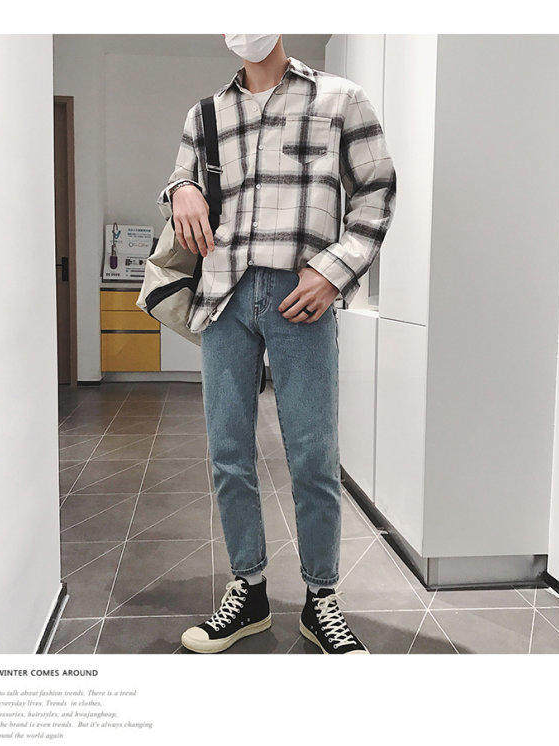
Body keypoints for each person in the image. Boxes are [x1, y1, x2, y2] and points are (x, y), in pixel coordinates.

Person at [158, 34, 396, 654]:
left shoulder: (339, 98)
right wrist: (180, 188)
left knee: (314, 456)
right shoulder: (205, 115)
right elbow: (182, 180)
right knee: (228, 455)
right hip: (224, 294)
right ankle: (251, 591)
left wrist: (335, 270)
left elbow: (376, 188)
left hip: (302, 292)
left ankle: (321, 600)